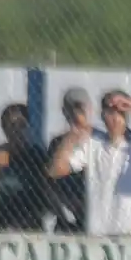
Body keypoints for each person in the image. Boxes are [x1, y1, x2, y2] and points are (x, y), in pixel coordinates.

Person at [48, 90, 131, 236]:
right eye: (110, 112)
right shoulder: (92, 144)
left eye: (120, 113)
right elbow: (55, 170)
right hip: (103, 232)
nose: (115, 118)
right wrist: (73, 136)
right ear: (102, 115)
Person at [0, 103, 51, 232]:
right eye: (11, 125)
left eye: (22, 125)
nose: (17, 130)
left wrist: (26, 221)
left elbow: (48, 198)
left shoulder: (37, 156)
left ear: (28, 127)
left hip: (29, 229)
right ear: (4, 129)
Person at [49, 87, 90, 233]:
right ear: (64, 111)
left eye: (80, 108)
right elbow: (50, 180)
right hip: (67, 207)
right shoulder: (58, 143)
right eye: (71, 109)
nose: (76, 113)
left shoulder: (98, 140)